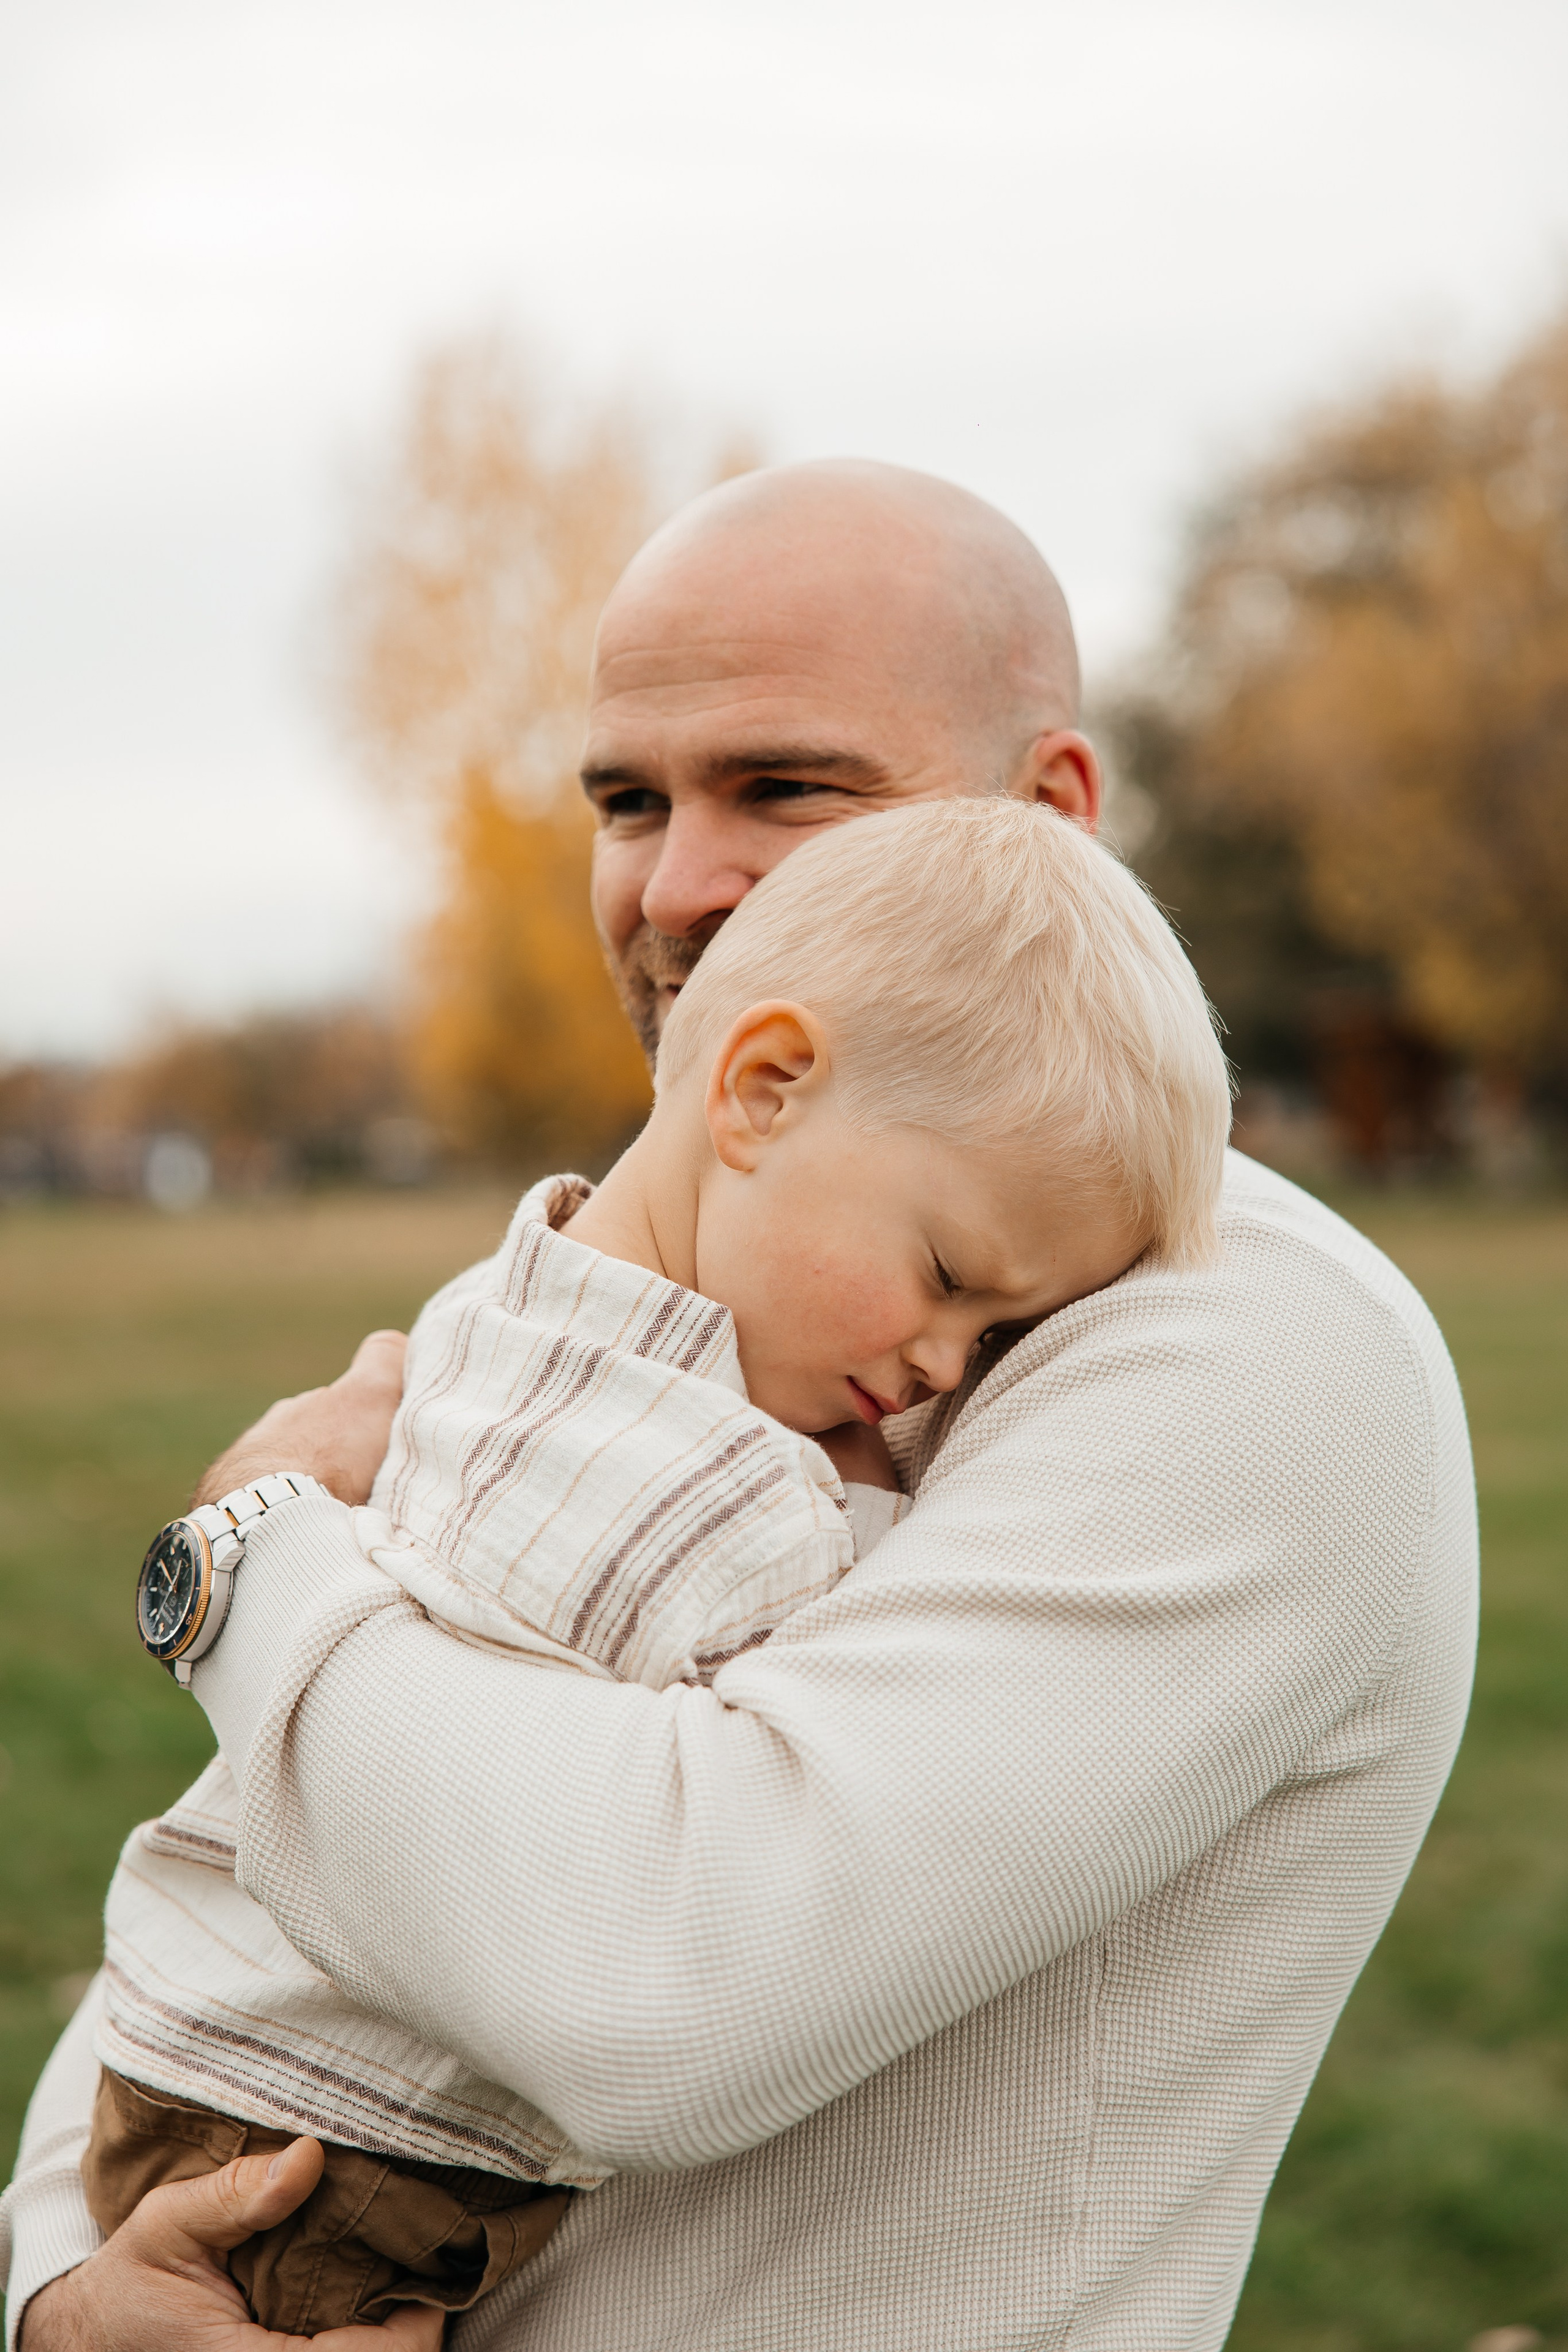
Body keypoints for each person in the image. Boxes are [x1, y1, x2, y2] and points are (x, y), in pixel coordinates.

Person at [2, 461, 1478, 2352]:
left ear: (1055, 817)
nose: (679, 879)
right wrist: (65, 2289)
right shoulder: (668, 1308)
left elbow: (655, 1984)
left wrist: (243, 1564)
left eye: (788, 787)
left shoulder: (1246, 1339)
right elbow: (272, 1871)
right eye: (629, 798)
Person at [79, 798, 1230, 2334]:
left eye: (1000, 1338)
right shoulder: (689, 1478)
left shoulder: (507, 1305)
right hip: (318, 2146)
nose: (947, 1365)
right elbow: (642, 1876)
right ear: (760, 1089)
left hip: (198, 2048)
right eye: (949, 1280)